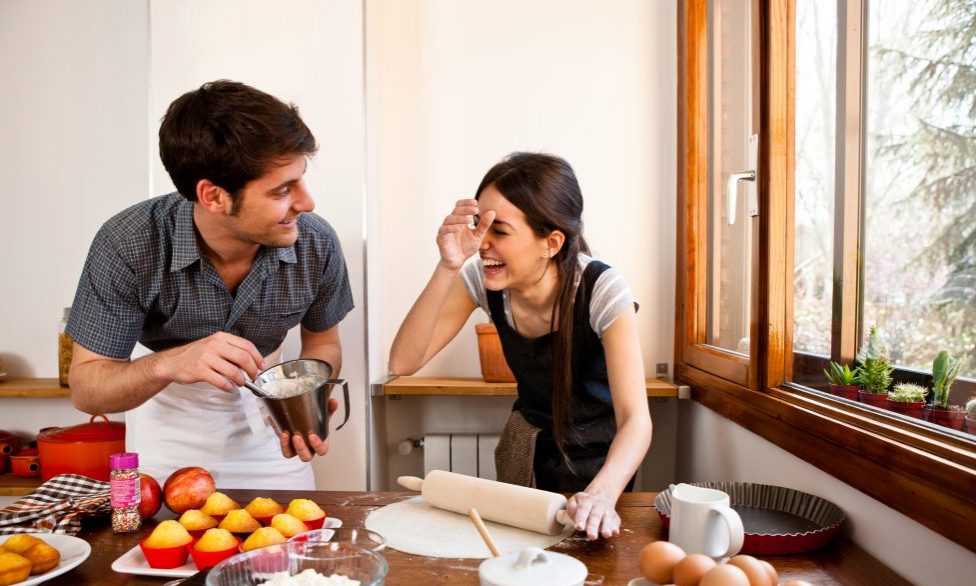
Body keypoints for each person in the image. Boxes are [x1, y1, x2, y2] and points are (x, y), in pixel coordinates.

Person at [66, 80, 354, 489]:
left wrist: (305, 393)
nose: (307, 203)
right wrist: (169, 362)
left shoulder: (315, 241)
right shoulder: (128, 243)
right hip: (167, 446)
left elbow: (323, 343)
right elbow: (86, 390)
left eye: (301, 179)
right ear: (213, 197)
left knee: (286, 550)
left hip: (275, 443)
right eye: (282, 190)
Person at [389, 152, 652, 539]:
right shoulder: (481, 279)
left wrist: (601, 494)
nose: (482, 244)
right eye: (480, 225)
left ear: (551, 242)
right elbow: (403, 361)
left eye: (501, 231)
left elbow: (636, 419)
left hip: (603, 463)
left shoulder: (602, 289)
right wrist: (448, 265)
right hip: (525, 447)